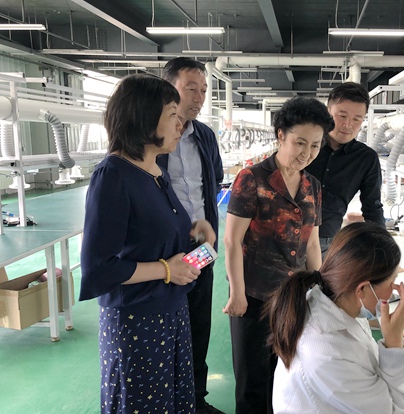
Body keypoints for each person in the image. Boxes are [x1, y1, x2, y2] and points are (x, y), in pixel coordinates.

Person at [80, 74, 207, 413]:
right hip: (137, 322)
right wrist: (166, 270)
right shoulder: (114, 176)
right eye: (172, 115)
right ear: (144, 116)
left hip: (171, 314)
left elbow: (155, 240)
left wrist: (196, 238)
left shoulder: (156, 173)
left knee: (172, 401)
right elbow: (99, 269)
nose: (180, 124)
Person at [223, 96, 334, 414]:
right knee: (252, 381)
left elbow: (312, 245)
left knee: (285, 376)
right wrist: (238, 293)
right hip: (254, 296)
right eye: (300, 142)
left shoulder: (313, 186)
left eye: (315, 145)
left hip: (293, 298)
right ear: (281, 135)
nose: (307, 153)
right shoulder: (252, 178)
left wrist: (321, 292)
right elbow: (232, 241)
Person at [267, 222, 404, 413]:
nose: (395, 291)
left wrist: (399, 359)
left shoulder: (335, 304)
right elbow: (397, 411)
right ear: (362, 289)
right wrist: (395, 345)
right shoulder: (329, 353)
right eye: (393, 281)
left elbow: (359, 357)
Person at [159, 57, 225, 414]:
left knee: (199, 323)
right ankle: (168, 400)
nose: (199, 98)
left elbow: (213, 181)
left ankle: (196, 399)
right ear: (169, 89)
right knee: (166, 325)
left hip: (202, 243)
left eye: (203, 90)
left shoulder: (205, 136)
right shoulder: (152, 136)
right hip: (164, 249)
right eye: (191, 89)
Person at [305, 82, 385, 257]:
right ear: (328, 112)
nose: (348, 125)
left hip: (326, 243)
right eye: (342, 116)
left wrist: (384, 251)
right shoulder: (305, 145)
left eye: (357, 119)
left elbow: (372, 208)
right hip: (285, 235)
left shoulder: (366, 158)